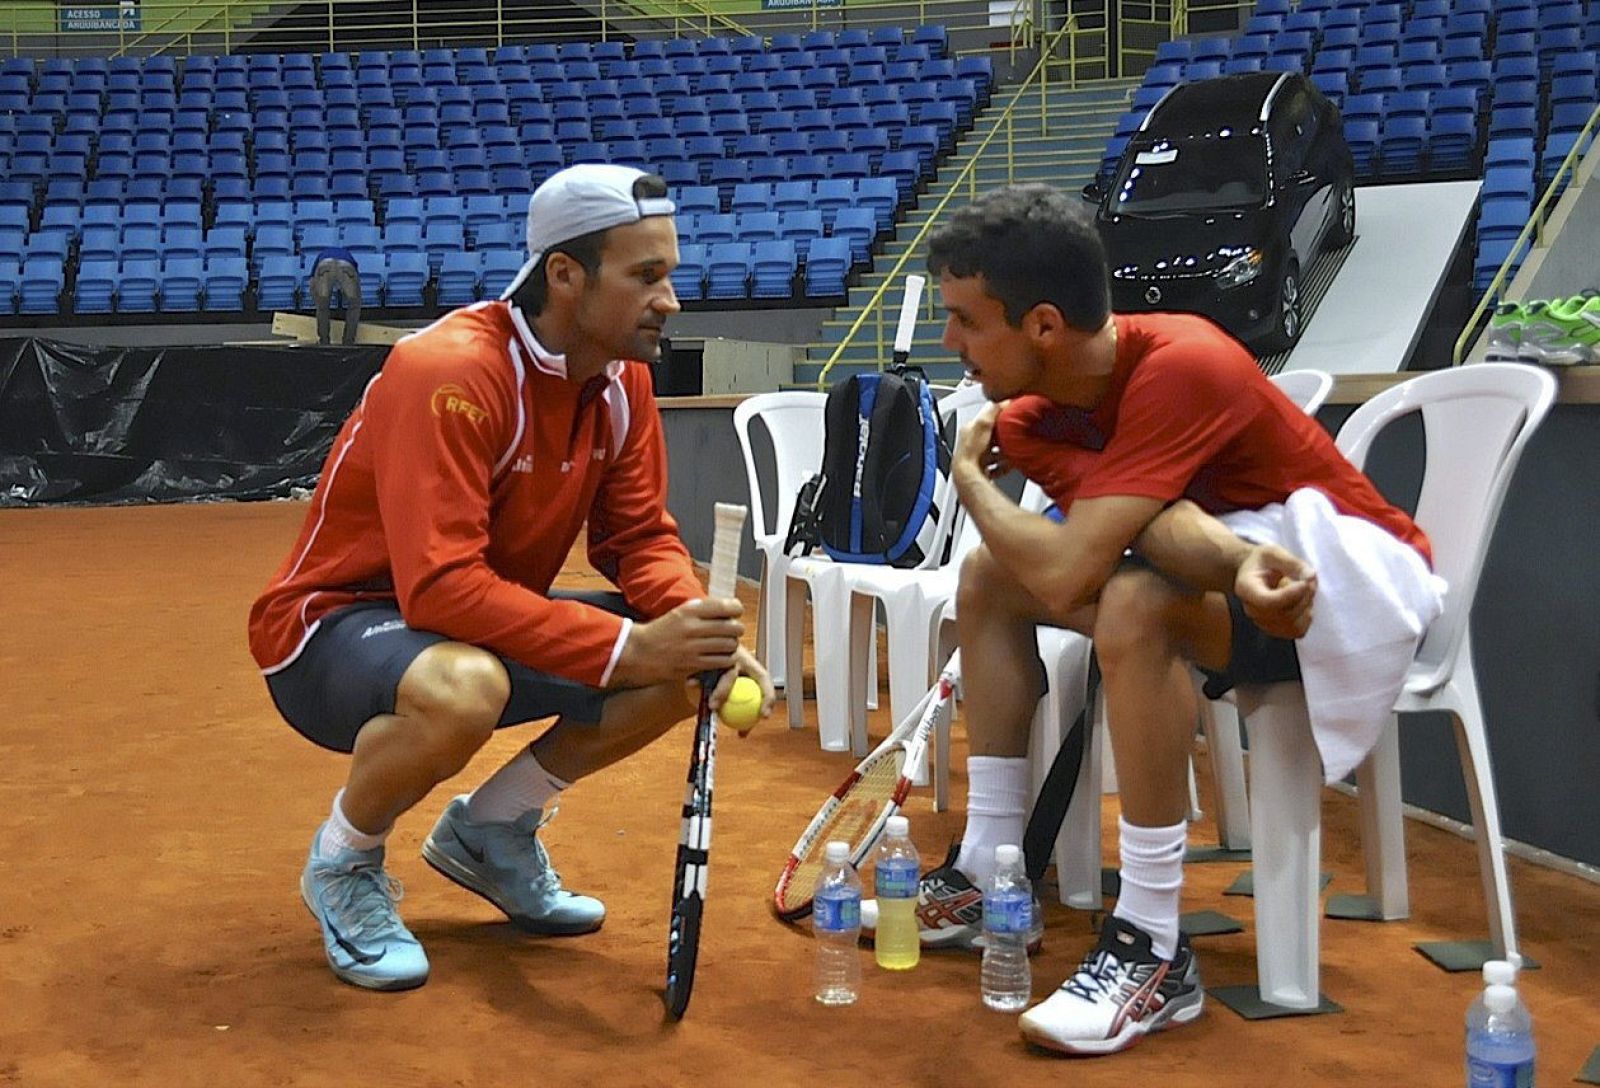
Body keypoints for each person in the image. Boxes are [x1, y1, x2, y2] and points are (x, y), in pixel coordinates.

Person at [902, 184, 1441, 1055]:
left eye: (966, 320)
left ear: (1042, 325)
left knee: (1135, 602)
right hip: (1242, 569)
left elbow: (1083, 563)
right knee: (990, 577)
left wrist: (966, 478)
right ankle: (990, 870)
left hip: (1343, 581)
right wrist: (1229, 564)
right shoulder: (1039, 415)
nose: (949, 343)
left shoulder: (1186, 361)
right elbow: (1140, 528)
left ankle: (1153, 944)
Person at [248, 164, 775, 992]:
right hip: (331, 629)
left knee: (682, 670)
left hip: (470, 627)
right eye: (647, 276)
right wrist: (631, 646)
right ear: (565, 275)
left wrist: (689, 623)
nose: (670, 300)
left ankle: (491, 830)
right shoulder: (448, 372)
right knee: (468, 687)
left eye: (668, 274)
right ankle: (343, 863)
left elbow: (637, 536)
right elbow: (441, 589)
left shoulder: (623, 378)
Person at [308, 247, 362, 345]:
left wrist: (318, 301)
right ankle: (348, 342)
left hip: (324, 266)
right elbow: (356, 276)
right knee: (354, 306)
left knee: (322, 308)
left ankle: (324, 342)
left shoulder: (321, 254)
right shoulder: (347, 254)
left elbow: (312, 281)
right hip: (346, 266)